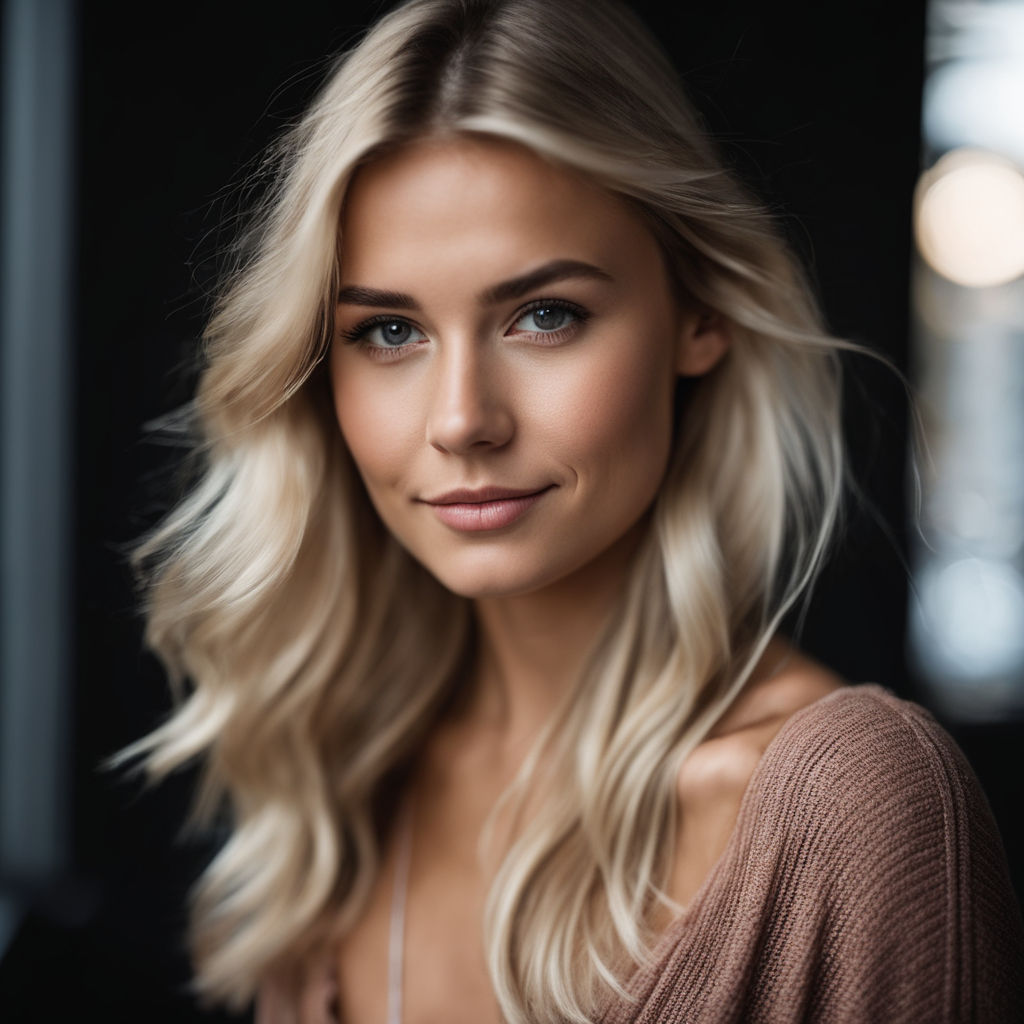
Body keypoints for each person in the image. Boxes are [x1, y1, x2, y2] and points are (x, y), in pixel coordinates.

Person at [125, 0, 1024, 1021]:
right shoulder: (343, 792)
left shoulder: (852, 804)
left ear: (701, 314)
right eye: (387, 332)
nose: (461, 420)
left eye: (544, 315)